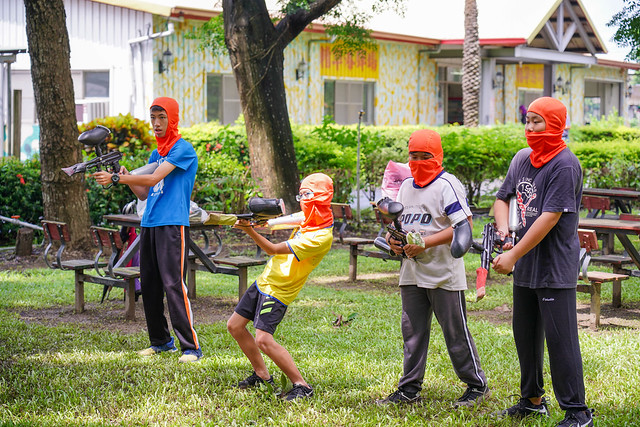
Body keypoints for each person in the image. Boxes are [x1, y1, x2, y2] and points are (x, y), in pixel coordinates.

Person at [492, 97, 593, 427]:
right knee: (525, 335)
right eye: (528, 121)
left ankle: (577, 412)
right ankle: (532, 401)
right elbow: (502, 198)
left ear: (556, 125)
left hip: (555, 267)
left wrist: (512, 254)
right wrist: (505, 233)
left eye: (539, 121)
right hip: (526, 265)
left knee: (561, 341)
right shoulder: (522, 159)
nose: (531, 128)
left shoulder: (565, 165)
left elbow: (549, 218)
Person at [377, 129, 489, 408]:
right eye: (412, 156)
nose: (417, 161)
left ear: (437, 156)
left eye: (424, 156)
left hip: (443, 272)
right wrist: (394, 241)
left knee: (455, 332)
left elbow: (463, 226)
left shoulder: (447, 185)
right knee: (412, 332)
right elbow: (396, 225)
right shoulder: (405, 186)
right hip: (411, 272)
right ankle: (409, 388)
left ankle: (476, 385)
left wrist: (425, 243)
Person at [93, 97, 202, 363]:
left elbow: (154, 178)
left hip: (172, 224)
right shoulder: (157, 154)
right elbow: (144, 192)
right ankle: (161, 342)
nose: (156, 123)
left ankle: (191, 348)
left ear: (173, 119)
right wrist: (127, 176)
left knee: (173, 284)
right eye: (152, 118)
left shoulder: (182, 149)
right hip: (150, 223)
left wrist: (118, 177)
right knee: (151, 285)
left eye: (161, 117)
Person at [227, 173, 334, 401]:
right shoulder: (312, 217)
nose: (303, 199)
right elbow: (286, 221)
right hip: (265, 280)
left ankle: (302, 385)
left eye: (308, 194)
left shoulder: (321, 235)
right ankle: (262, 375)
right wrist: (262, 222)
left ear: (321, 196)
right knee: (235, 326)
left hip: (279, 291)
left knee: (263, 339)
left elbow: (273, 250)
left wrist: (249, 229)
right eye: (302, 194)